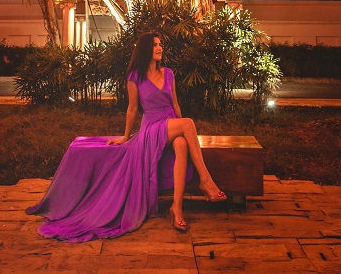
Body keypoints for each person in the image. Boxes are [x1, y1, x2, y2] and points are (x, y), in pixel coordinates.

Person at [26, 31, 226, 241]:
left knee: (183, 143)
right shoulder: (135, 77)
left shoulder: (168, 73)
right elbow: (132, 109)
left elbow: (175, 103)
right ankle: (205, 181)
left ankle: (177, 208)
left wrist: (179, 126)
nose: (160, 48)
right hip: (151, 128)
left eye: (160, 44)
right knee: (189, 124)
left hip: (170, 124)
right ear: (145, 49)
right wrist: (125, 136)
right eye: (155, 45)